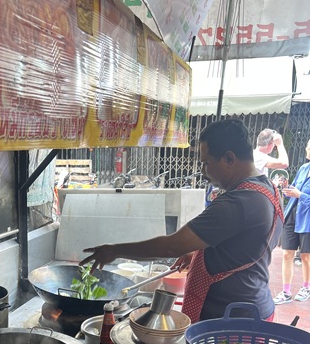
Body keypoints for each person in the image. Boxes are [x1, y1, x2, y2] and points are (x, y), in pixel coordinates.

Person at [80, 119, 283, 322]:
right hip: (251, 307)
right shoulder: (269, 189)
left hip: (230, 320)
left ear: (229, 158)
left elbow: (172, 247)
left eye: (206, 163)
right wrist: (199, 252)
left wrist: (114, 251)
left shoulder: (239, 202)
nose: (203, 172)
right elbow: (244, 246)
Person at [273, 138, 310, 304]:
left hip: (307, 219)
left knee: (306, 256)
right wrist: (286, 186)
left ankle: (306, 287)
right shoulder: (303, 168)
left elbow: (300, 194)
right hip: (292, 215)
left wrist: (300, 195)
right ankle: (286, 292)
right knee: (287, 253)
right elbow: (293, 188)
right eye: (307, 146)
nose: (307, 149)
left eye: (309, 147)